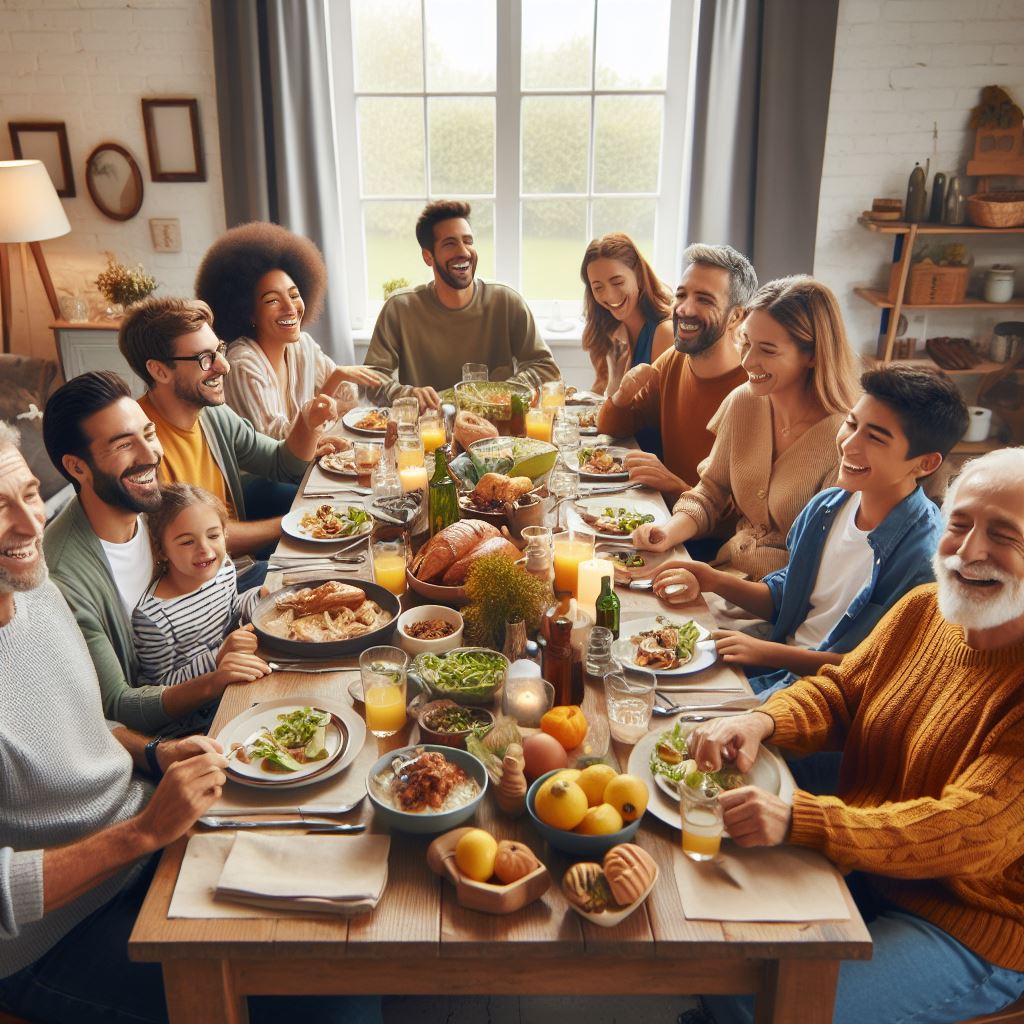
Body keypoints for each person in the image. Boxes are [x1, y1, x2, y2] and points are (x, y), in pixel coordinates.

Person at [0, 422, 382, 1024]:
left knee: (352, 895)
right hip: (56, 936)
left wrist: (153, 755)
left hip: (152, 829)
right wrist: (141, 833)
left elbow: (85, 720)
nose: (28, 526)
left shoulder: (32, 587)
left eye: (27, 495)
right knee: (334, 1005)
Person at [684, 446, 1024, 1024]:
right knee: (715, 944)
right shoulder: (925, 610)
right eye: (959, 523)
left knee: (755, 998)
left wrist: (803, 820)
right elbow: (842, 692)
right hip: (870, 860)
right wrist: (760, 720)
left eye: (1005, 535)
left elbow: (971, 828)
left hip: (968, 921)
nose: (969, 552)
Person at [653, 365, 969, 696]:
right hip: (778, 670)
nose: (850, 444)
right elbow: (788, 598)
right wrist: (713, 580)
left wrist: (767, 652)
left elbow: (881, 671)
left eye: (875, 437)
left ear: (926, 463)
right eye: (851, 424)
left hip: (823, 702)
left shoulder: (924, 560)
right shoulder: (828, 506)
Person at [41, 371, 269, 733]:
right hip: (179, 720)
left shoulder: (152, 505)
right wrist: (216, 676)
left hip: (221, 646)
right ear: (77, 467)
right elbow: (117, 704)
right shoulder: (65, 578)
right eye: (123, 445)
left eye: (148, 434)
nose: (151, 455)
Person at [634, 275, 860, 581]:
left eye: (767, 350)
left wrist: (713, 584)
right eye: (746, 342)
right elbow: (710, 492)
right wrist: (666, 532)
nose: (748, 361)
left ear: (812, 356)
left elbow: (821, 565)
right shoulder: (744, 402)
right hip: (725, 574)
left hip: (780, 603)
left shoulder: (845, 440)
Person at [117, 297, 330, 556]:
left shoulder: (213, 415)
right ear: (160, 371)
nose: (224, 366)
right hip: (207, 579)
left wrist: (308, 425)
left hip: (234, 563)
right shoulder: (142, 450)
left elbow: (280, 462)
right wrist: (293, 522)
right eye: (205, 359)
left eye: (219, 349)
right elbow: (196, 544)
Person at [595, 243, 756, 507]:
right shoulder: (673, 360)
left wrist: (675, 486)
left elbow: (743, 519)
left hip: (707, 543)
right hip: (664, 515)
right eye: (681, 295)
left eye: (704, 299)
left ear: (736, 316)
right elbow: (612, 427)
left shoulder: (753, 390)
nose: (684, 309)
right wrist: (622, 396)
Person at [364, 199, 560, 411]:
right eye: (450, 244)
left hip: (497, 432)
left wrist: (504, 391)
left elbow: (546, 368)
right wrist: (408, 395)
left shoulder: (506, 301)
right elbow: (371, 379)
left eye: (468, 241)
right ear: (428, 257)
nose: (464, 252)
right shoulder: (400, 308)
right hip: (430, 431)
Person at [194, 221, 384, 439]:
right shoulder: (243, 365)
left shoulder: (303, 346)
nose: (290, 308)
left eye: (294, 295)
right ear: (248, 312)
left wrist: (335, 383)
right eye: (273, 300)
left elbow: (348, 401)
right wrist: (334, 380)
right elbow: (277, 443)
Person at [131, 483, 270, 733]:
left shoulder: (224, 567)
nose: (204, 549)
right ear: (161, 550)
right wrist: (219, 656)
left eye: (214, 536)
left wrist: (259, 598)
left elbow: (232, 613)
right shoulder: (153, 617)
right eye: (186, 542)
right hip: (196, 720)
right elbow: (163, 690)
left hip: (237, 681)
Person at [580, 232, 674, 397]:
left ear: (638, 274)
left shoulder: (664, 333)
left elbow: (656, 413)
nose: (609, 296)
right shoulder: (611, 329)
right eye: (598, 287)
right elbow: (601, 395)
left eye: (617, 282)